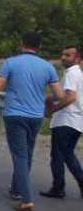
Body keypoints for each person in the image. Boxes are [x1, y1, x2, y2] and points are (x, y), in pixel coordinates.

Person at [0, 31, 63, 211]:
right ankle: (17, 190)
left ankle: (27, 199)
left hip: (15, 116)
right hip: (35, 116)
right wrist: (46, 102)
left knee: (19, 157)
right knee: (27, 154)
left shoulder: (11, 62)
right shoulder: (47, 67)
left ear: (21, 44)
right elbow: (59, 95)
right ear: (39, 47)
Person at [41, 45, 83, 199]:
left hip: (66, 119)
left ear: (77, 59)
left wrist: (54, 109)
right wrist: (50, 99)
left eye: (68, 55)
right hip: (77, 121)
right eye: (63, 54)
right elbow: (66, 94)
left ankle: (58, 188)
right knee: (68, 153)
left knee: (57, 155)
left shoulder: (72, 74)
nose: (63, 57)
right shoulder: (78, 74)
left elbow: (70, 97)